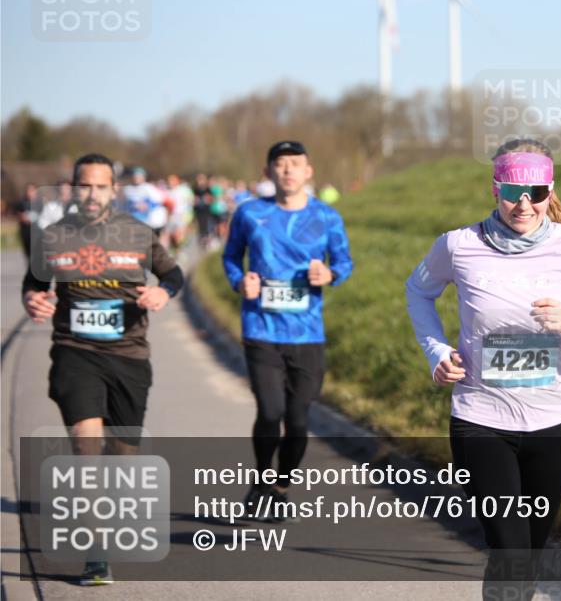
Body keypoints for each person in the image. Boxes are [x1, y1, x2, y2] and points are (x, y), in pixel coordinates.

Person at [405, 138, 561, 599]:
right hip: (480, 420)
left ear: (550, 191)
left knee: (526, 554)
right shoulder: (458, 245)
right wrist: (437, 352)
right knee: (509, 550)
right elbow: (418, 291)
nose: (524, 203)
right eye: (512, 192)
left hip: (551, 424)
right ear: (495, 190)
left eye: (535, 192)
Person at [21, 153, 184, 586]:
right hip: (75, 352)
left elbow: (174, 274)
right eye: (84, 186)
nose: (91, 194)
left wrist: (163, 294)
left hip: (129, 356)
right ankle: (96, 553)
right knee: (86, 447)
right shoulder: (53, 236)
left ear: (114, 189)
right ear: (73, 188)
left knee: (122, 457)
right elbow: (34, 284)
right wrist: (33, 300)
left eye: (100, 186)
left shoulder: (136, 232)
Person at [222, 140, 353, 521]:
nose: (288, 170)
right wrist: (237, 281)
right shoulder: (250, 213)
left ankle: (281, 486)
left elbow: (344, 262)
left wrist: (329, 274)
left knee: (297, 418)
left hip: (307, 333)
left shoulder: (327, 217)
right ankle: (262, 480)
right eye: (280, 164)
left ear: (309, 171)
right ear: (268, 172)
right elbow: (231, 256)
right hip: (261, 327)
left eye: (295, 164)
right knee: (270, 410)